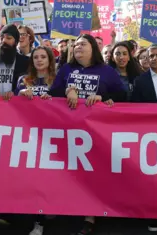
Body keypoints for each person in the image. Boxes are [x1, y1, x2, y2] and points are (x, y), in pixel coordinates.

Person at [49, 34, 125, 234]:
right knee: (69, 169)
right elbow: (53, 93)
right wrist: (68, 90)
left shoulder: (107, 71)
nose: (78, 47)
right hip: (68, 128)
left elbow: (122, 95)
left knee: (93, 170)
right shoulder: (66, 69)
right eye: (76, 45)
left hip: (95, 131)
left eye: (83, 44)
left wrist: (103, 97)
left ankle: (90, 216)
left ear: (93, 48)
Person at [0, 24, 30, 101]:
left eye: (8, 38)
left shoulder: (26, 62)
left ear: (16, 41)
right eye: (1, 38)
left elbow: (30, 86)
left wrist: (16, 92)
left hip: (17, 107)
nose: (4, 41)